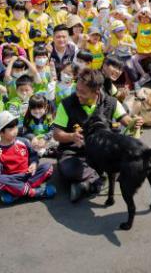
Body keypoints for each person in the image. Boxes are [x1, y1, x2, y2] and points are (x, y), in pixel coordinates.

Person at [52, 69, 140, 202]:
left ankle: (87, 183)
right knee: (68, 170)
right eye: (77, 89)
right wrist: (71, 136)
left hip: (102, 152)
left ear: (96, 92)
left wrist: (135, 123)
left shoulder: (111, 102)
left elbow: (126, 121)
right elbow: (57, 134)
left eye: (83, 93)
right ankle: (100, 179)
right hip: (75, 152)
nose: (78, 94)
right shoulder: (66, 104)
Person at [0, 110, 56, 204]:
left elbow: (33, 156)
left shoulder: (23, 141)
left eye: (16, 127)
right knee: (1, 180)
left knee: (48, 167)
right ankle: (34, 192)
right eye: (11, 129)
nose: (15, 130)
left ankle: (18, 193)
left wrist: (33, 164)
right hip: (13, 179)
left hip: (28, 175)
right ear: (1, 132)